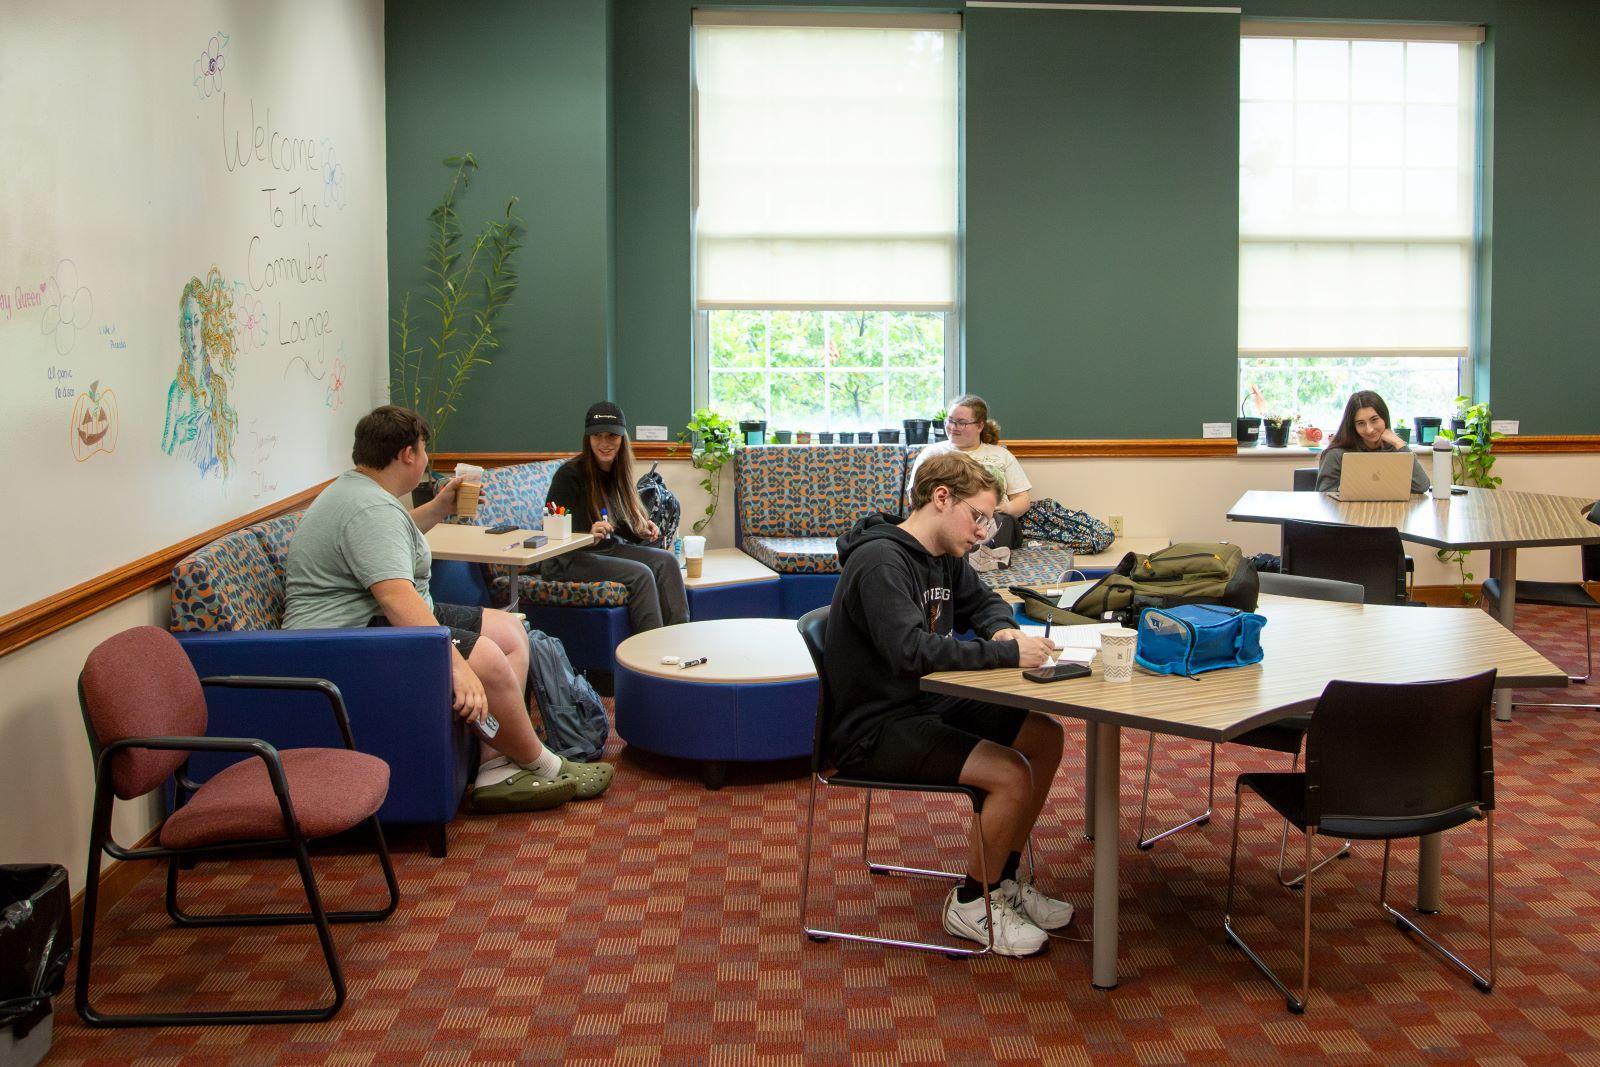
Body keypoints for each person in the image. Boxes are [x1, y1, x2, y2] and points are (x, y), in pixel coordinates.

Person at [283, 405, 613, 812]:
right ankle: (545, 764)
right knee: (487, 657)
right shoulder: (368, 510)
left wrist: (439, 507)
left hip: (363, 620)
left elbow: (395, 539)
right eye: (423, 449)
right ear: (407, 454)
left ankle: (496, 768)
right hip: (344, 639)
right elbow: (395, 598)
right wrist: (454, 663)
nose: (425, 458)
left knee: (510, 630)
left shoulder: (364, 495)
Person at [826, 450, 1074, 957]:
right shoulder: (880, 562)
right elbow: (909, 651)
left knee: (1045, 738)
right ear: (941, 498)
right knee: (1009, 773)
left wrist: (999, 626)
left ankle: (1001, 880)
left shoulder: (943, 555)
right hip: (874, 727)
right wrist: (1005, 652)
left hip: (925, 705)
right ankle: (970, 902)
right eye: (977, 516)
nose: (984, 531)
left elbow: (983, 601)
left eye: (989, 519)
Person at [542, 402, 689, 633]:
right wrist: (586, 535)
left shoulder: (616, 472)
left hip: (603, 550)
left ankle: (678, 639)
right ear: (587, 438)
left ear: (622, 438)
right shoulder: (568, 475)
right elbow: (552, 531)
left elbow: (617, 527)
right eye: (597, 436)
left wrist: (638, 529)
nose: (604, 443)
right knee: (641, 575)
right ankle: (649, 655)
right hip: (566, 559)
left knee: (666, 561)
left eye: (612, 436)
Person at [909, 395, 1031, 549]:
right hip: (944, 522)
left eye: (961, 423)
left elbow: (1023, 499)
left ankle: (978, 552)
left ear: (980, 426)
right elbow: (915, 497)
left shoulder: (1001, 455)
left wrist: (1004, 508)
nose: (953, 427)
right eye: (950, 420)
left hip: (991, 523)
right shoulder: (931, 453)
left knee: (1001, 524)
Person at [1316, 390, 1430, 494]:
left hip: (1391, 513)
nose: (1369, 429)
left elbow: (1421, 486)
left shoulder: (1396, 449)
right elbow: (1323, 496)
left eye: (1374, 420)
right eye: (1361, 423)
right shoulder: (1336, 454)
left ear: (1384, 418)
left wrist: (1399, 443)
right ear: (1353, 426)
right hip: (1348, 514)